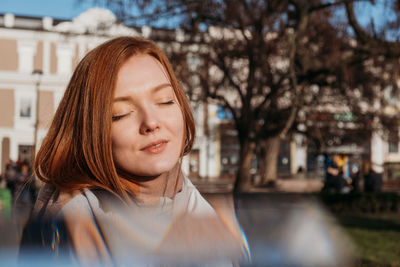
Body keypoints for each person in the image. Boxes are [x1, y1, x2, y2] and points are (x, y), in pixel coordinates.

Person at [19, 37, 246, 265]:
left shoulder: (210, 208)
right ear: (90, 131)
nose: (151, 122)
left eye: (165, 100)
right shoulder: (76, 222)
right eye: (121, 113)